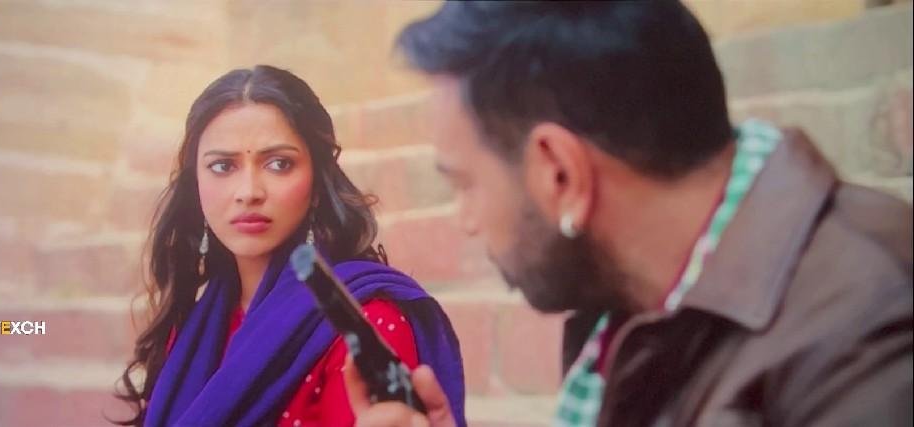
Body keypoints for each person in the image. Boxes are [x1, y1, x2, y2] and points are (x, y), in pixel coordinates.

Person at [344, 2, 913, 426]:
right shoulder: (622, 307)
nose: (466, 220)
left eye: (464, 184)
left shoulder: (867, 332)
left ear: (560, 172)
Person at [114, 65, 466, 427]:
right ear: (195, 186)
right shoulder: (194, 327)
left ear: (317, 184)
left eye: (279, 163)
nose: (249, 192)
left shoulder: (363, 325)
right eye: (222, 166)